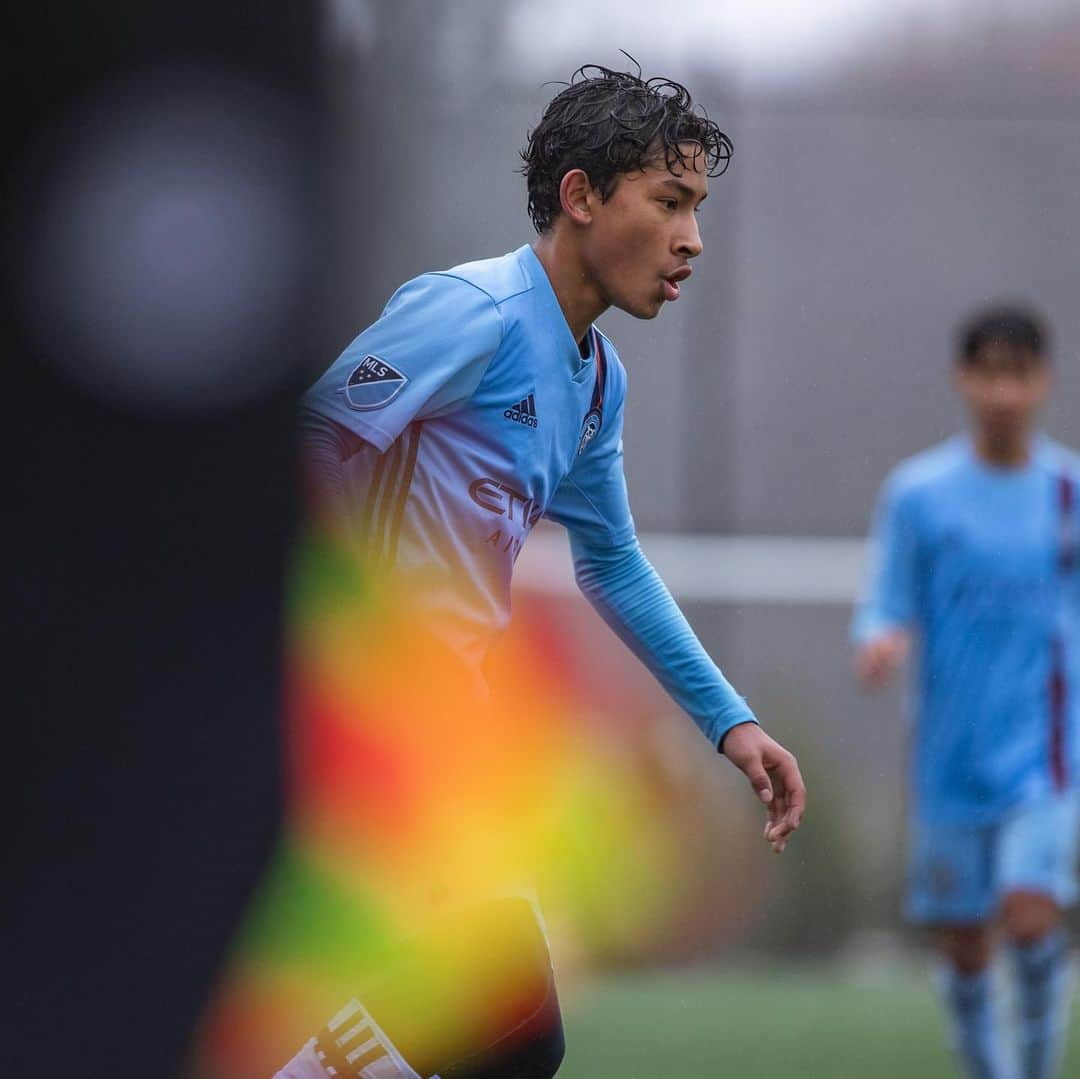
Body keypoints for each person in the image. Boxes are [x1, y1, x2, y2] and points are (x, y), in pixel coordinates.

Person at [278, 62, 806, 1079]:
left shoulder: (595, 380)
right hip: (359, 729)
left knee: (506, 1037)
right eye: (671, 202)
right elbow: (309, 441)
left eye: (697, 207)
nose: (693, 238)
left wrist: (731, 722)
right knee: (505, 1031)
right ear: (580, 195)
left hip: (438, 742)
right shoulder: (467, 315)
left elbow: (611, 560)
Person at [853, 305, 1079, 1079]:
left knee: (1029, 913)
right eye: (990, 372)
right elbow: (885, 597)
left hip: (1045, 755)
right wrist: (880, 637)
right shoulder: (920, 494)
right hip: (951, 755)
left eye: (1020, 373)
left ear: (1042, 380)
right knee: (966, 946)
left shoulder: (1069, 494)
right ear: (964, 377)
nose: (1005, 391)